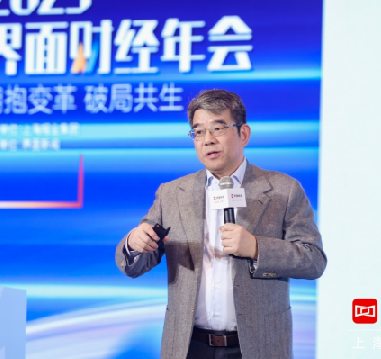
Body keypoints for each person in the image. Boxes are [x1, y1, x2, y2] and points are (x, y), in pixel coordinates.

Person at [115, 89, 326, 359]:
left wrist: (257, 248)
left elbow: (313, 260)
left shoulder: (283, 190)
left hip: (256, 347)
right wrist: (134, 244)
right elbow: (136, 264)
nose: (208, 140)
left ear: (243, 134)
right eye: (198, 132)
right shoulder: (172, 194)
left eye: (218, 128)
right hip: (189, 346)